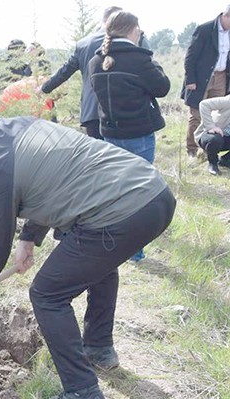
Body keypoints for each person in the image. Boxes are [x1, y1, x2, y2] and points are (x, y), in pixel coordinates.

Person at [0, 113, 176, 399]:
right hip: (153, 193)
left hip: (123, 208)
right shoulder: (18, 128)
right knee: (100, 261)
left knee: (46, 293)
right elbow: (46, 181)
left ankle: (83, 394)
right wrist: (28, 240)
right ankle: (99, 349)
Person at [89, 10, 170, 262]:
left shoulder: (95, 61)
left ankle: (113, 243)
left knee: (116, 189)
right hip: (139, 134)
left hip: (110, 133)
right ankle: (134, 251)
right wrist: (153, 61)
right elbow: (162, 87)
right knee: (140, 192)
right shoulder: (139, 59)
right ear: (134, 30)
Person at [38, 6, 148, 139]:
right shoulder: (133, 40)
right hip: (125, 112)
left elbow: (64, 71)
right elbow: (148, 68)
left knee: (99, 158)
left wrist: (44, 89)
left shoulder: (84, 44)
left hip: (92, 113)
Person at [182, 4, 230, 158]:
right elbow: (191, 56)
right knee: (196, 114)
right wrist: (190, 79)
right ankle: (191, 150)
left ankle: (207, 148)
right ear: (225, 15)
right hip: (201, 78)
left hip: (222, 77)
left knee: (216, 115)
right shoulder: (204, 29)